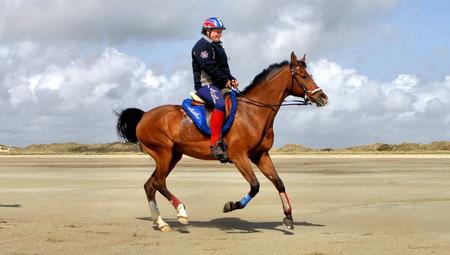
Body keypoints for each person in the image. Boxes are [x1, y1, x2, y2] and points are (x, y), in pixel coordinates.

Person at [191, 17, 238, 160]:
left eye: (220, 31)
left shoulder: (218, 45)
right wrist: (225, 80)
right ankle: (215, 143)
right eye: (217, 31)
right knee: (219, 104)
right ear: (208, 31)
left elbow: (223, 67)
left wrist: (231, 78)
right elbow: (209, 67)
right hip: (205, 86)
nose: (220, 34)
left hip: (219, 84)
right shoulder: (200, 46)